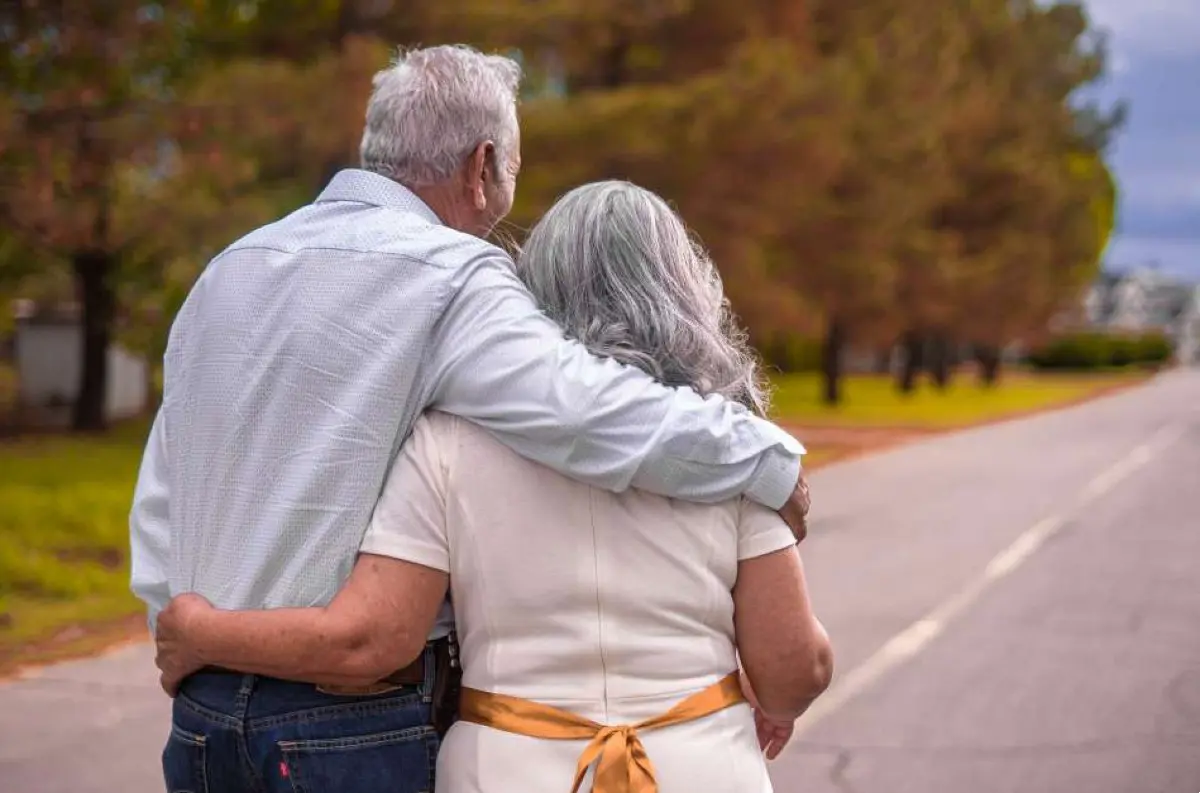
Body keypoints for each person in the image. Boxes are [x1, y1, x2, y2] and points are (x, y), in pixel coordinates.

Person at [130, 46, 812, 793]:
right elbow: (587, 413)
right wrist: (766, 455)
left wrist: (184, 631)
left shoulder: (227, 270)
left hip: (203, 712)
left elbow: (166, 490)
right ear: (482, 165)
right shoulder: (453, 276)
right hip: (345, 720)